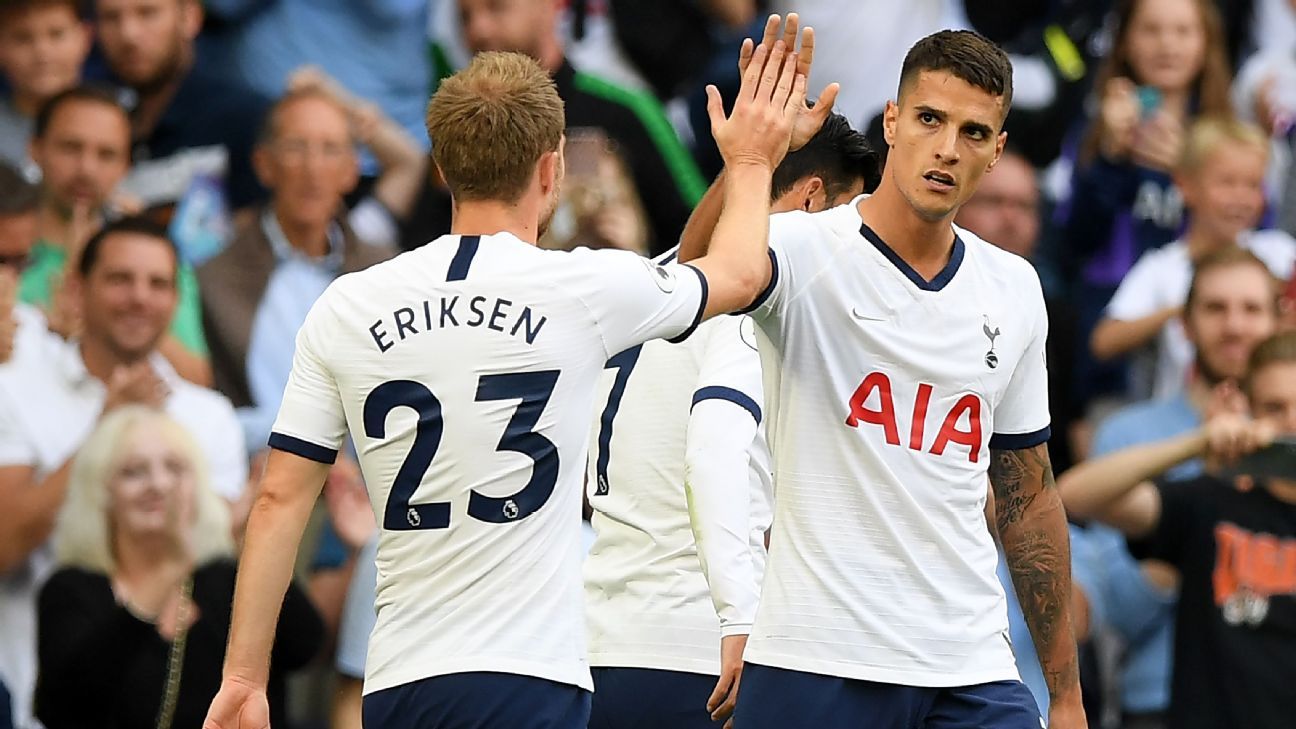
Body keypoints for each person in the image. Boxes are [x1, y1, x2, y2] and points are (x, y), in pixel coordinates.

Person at [204, 22, 808, 728]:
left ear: (440, 165)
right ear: (551, 170)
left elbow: (279, 499)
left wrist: (245, 676)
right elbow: (731, 272)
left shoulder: (348, 302)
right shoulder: (584, 289)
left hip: (398, 678)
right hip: (532, 675)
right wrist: (753, 160)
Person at [678, 26, 1086, 728]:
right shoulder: (805, 248)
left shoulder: (1015, 288)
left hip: (971, 666)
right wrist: (749, 161)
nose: (948, 148)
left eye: (974, 132)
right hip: (816, 657)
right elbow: (694, 277)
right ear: (892, 122)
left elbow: (1028, 495)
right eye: (930, 119)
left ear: (998, 152)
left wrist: (1066, 692)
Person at [582, 111, 876, 729]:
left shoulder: (652, 281)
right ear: (811, 200)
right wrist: (739, 616)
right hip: (705, 656)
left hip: (599, 647)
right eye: (851, 218)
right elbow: (714, 449)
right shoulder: (751, 307)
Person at [0, 216, 245, 729]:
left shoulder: (209, 415)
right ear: (76, 289)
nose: (140, 297)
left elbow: (207, 561)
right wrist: (107, 425)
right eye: (119, 279)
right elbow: (5, 544)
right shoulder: (15, 388)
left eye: (158, 284)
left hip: (171, 698)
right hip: (34, 687)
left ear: (176, 302)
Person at [1075, 245, 1281, 728]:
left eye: (1251, 309)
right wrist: (1205, 476)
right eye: (1215, 308)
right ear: (1183, 326)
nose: (1234, 326)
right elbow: (1118, 610)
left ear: (1279, 321)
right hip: (1160, 699)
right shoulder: (1128, 438)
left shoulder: (1289, 439)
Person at [33, 407, 321, 729]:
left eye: (175, 468)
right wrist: (165, 573)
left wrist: (254, 542)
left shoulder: (223, 577)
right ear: (102, 492)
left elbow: (305, 645)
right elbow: (60, 707)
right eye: (134, 472)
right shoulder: (71, 590)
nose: (158, 484)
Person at [198, 81, 410, 454]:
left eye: (329, 150)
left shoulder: (385, 271)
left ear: (350, 171)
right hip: (258, 477)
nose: (312, 168)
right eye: (296, 148)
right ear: (264, 165)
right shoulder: (215, 276)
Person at [1063, 0, 1235, 401]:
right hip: (1110, 342)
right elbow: (1075, 241)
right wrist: (1109, 157)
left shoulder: (1229, 133)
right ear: (1124, 42)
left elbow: (1251, 238)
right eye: (1151, 30)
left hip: (1210, 337)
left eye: (1182, 31)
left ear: (1206, 43)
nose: (1167, 45)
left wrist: (1194, 171)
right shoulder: (1095, 131)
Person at [450, 0, 708, 255]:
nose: (478, 30)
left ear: (552, 5)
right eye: (465, 17)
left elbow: (699, 228)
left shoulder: (623, 110)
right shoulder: (461, 126)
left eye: (497, 7)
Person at [1092, 117, 1296, 399]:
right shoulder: (1162, 267)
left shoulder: (1280, 252)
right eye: (1227, 183)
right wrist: (1187, 307)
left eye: (1252, 185)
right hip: (1182, 421)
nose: (1241, 197)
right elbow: (1104, 341)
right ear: (1185, 185)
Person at [22, 85, 210, 383]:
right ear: (35, 150)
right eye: (71, 148)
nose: (86, 168)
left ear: (126, 166)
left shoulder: (154, 257)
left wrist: (112, 317)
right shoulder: (8, 250)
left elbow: (197, 379)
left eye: (106, 154)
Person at [94, 0, 271, 254]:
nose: (128, 34)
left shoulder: (246, 118)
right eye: (111, 18)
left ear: (190, 17)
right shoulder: (92, 118)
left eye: (147, 13)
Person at [0, 0, 92, 172]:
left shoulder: (124, 117)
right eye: (23, 38)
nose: (42, 51)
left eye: (56, 34)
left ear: (86, 37)